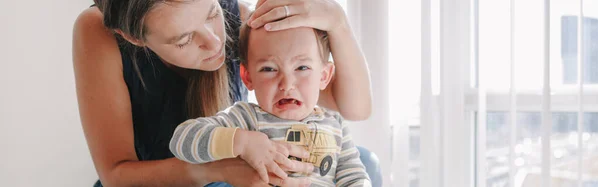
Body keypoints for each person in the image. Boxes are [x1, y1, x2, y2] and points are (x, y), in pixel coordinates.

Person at [72, 0, 373, 186]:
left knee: (363, 163)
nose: (216, 41)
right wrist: (222, 169)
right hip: (174, 180)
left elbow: (355, 109)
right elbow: (116, 175)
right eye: (184, 39)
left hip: (237, 170)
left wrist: (336, 21)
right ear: (132, 37)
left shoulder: (242, 19)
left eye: (211, 12)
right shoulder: (99, 30)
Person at [169, 21, 371, 186]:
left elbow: (354, 177)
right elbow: (181, 141)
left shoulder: (335, 124)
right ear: (247, 77)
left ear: (324, 75)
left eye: (302, 67)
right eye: (269, 69)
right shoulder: (247, 118)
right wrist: (243, 142)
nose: (287, 84)